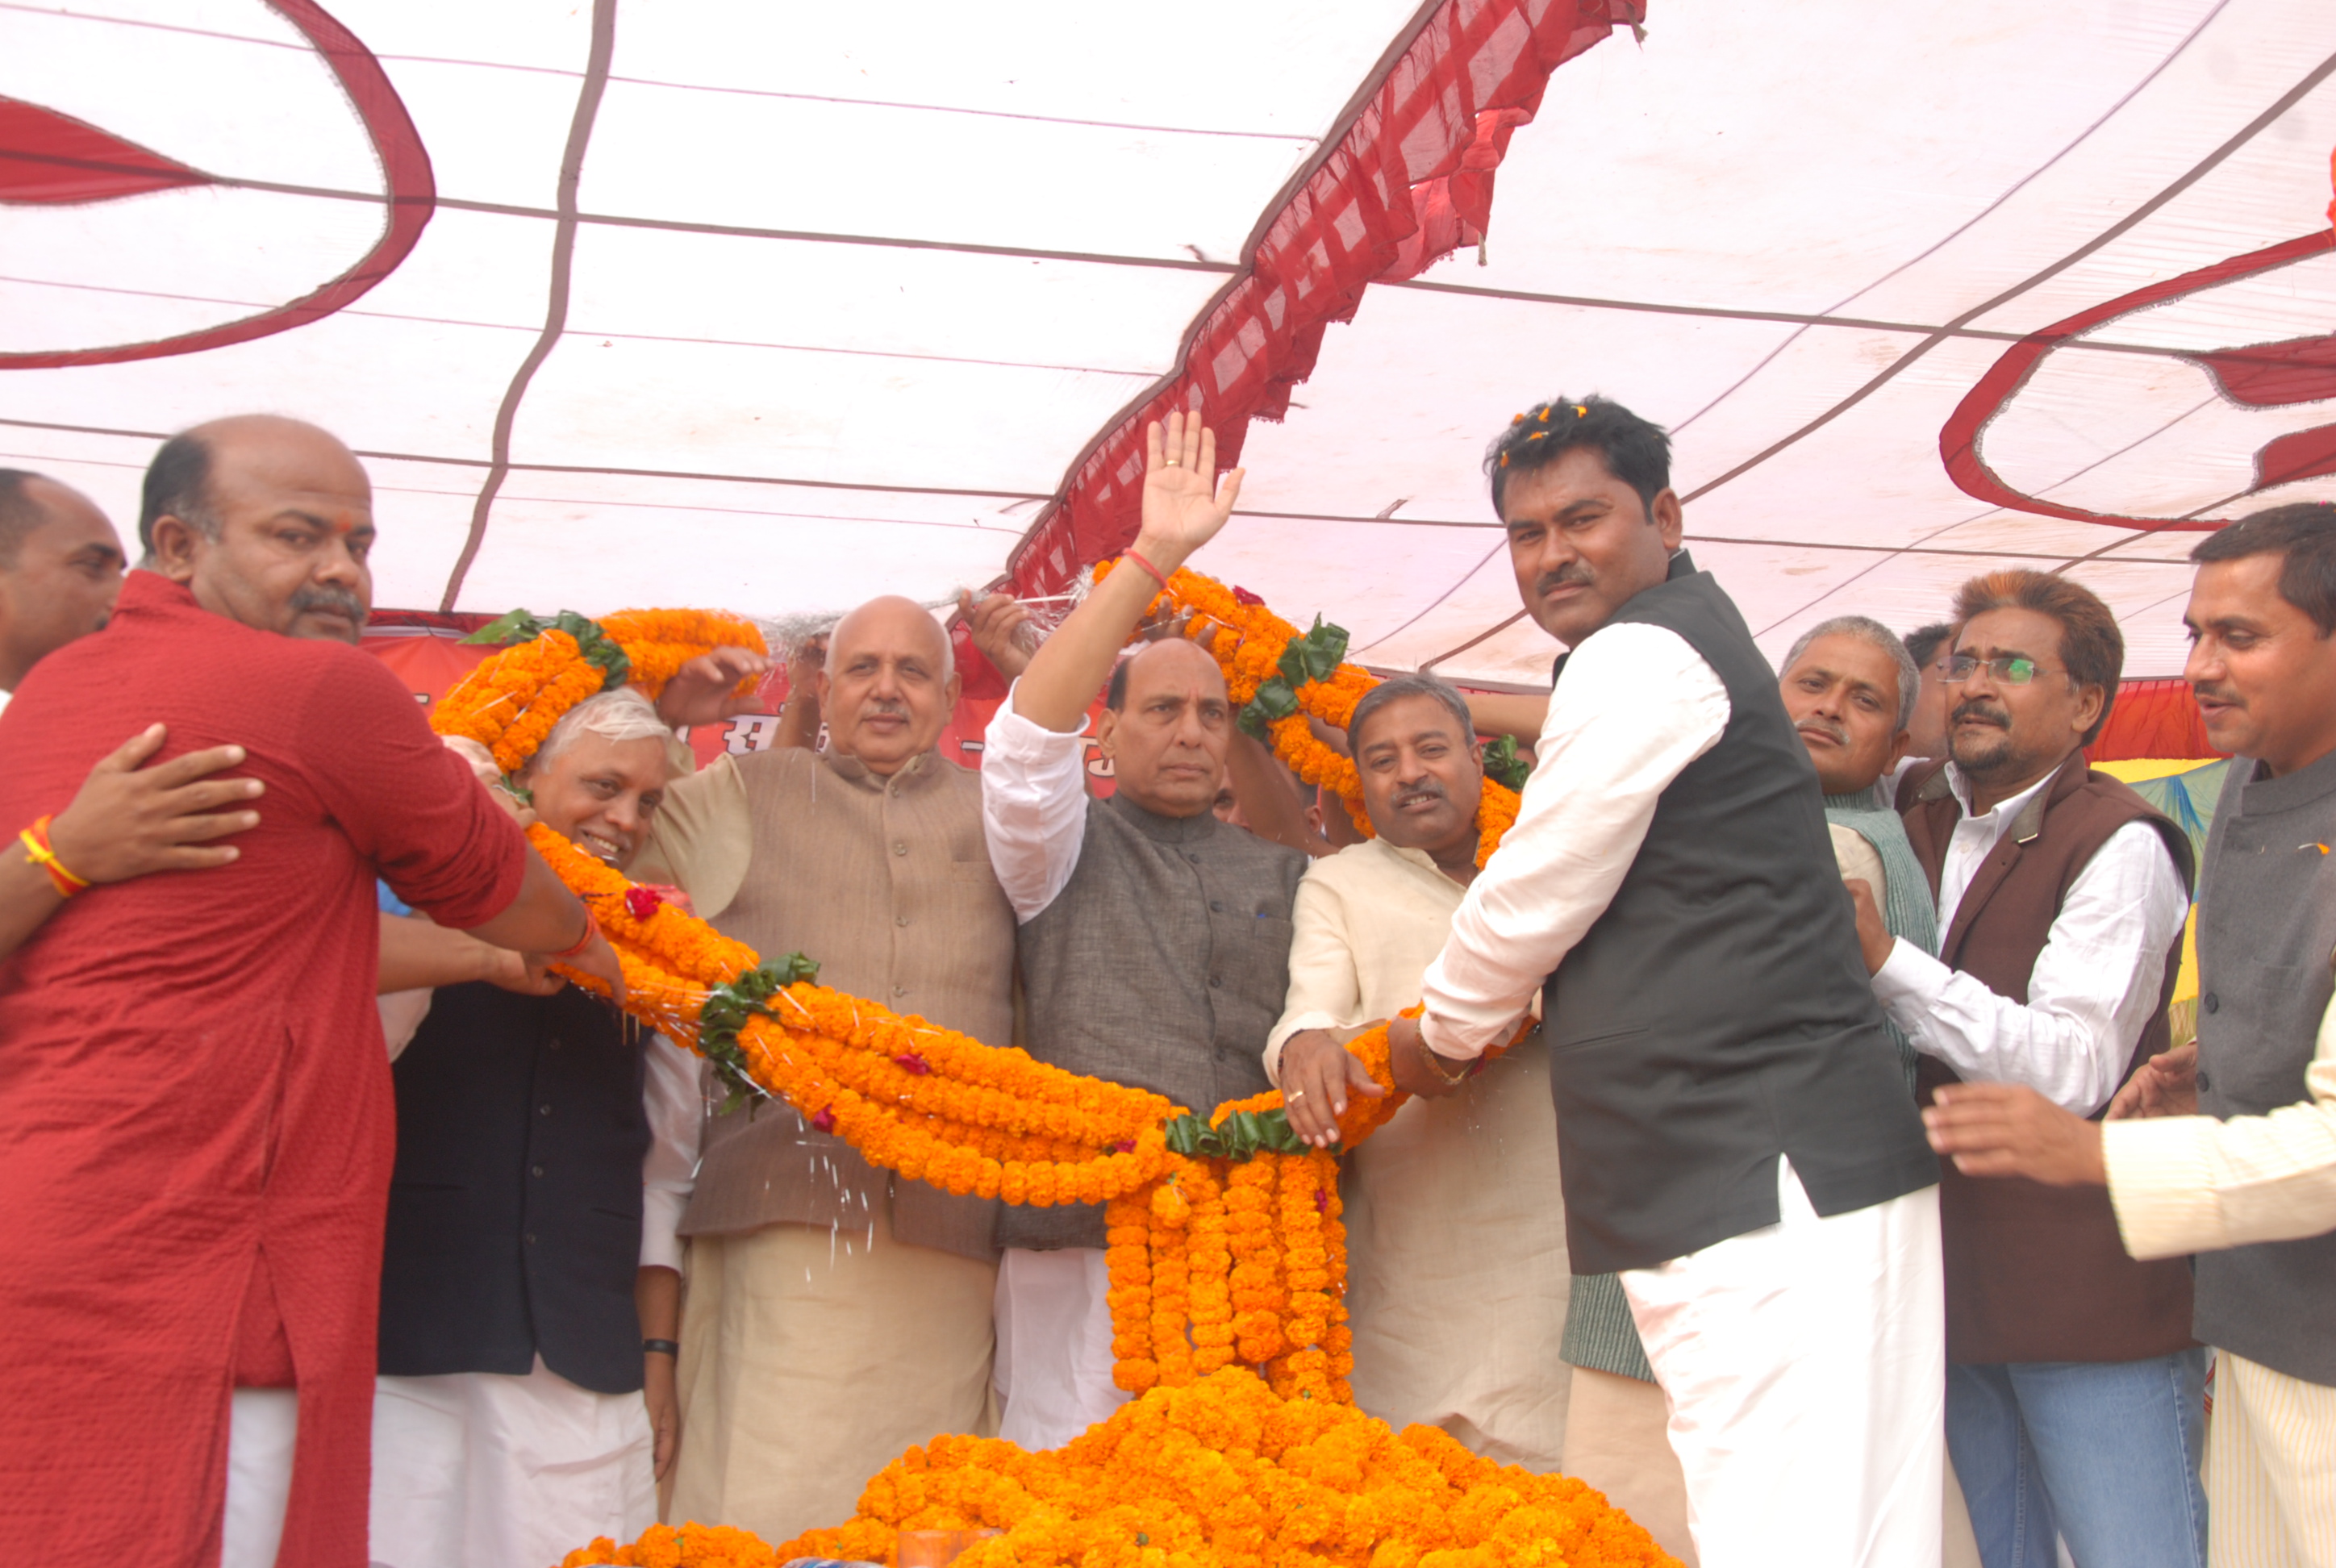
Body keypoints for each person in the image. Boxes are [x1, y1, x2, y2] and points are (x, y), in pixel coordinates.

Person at [0, 415, 621, 1568]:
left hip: (44, 1227)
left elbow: (265, 939)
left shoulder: (46, 699)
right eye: (298, 536)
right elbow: (519, 904)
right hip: (209, 1249)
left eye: (358, 539)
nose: (342, 569)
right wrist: (587, 940)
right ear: (178, 548)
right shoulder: (317, 691)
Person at [1394, 396, 1944, 1567]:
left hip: (1764, 1175)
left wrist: (1432, 1039)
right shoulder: (1681, 639)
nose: (1552, 555)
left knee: (1782, 1533)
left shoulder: (1645, 652)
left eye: (1582, 518)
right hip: (1783, 1175)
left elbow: (1537, 884)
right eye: (1526, 534)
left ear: (1666, 515)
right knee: (1848, 1534)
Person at [1925, 502, 2336, 1566]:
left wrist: (2100, 1149)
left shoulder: (2118, 835)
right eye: (2195, 633)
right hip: (2256, 1311)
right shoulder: (2252, 783)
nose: (2201, 667)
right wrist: (2229, 1064)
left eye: (2239, 638)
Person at [635, 594, 1016, 1545]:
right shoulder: (739, 795)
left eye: (913, 670)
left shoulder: (1005, 821)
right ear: (822, 684)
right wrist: (664, 708)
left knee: (924, 1519)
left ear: (949, 695)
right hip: (780, 1221)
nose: (886, 690)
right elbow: (583, 831)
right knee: (764, 1508)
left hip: (953, 1235)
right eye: (861, 668)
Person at [1857, 569, 2199, 1568]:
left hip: (2083, 1295)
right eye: (1961, 663)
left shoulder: (2118, 841)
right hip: (1943, 1289)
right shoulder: (1909, 812)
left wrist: (1885, 960)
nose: (1974, 685)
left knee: (2136, 1555)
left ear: (2085, 704)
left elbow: (2071, 1067)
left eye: (2011, 666)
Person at [981, 411, 1306, 1450]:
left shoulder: (1279, 869)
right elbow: (1030, 738)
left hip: (1246, 1257)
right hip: (1086, 1255)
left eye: (1211, 715)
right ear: (1108, 734)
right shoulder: (1060, 848)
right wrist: (1154, 557)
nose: (1190, 732)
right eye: (1161, 710)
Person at [369, 687, 700, 1568]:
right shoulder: (427, 906)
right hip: (422, 1340)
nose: (623, 819)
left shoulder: (663, 945)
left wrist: (657, 1350)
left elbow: (665, 1168)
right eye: (602, 786)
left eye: (647, 801)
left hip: (584, 1357)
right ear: (529, 779)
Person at [1266, 674, 1582, 1493]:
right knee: (1410, 1512)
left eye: (1430, 748)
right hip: (1412, 1275)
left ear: (1477, 759)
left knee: (1558, 1516)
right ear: (1359, 783)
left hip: (1556, 1255)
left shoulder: (1548, 861)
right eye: (1382, 760)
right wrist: (1304, 1045)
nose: (1408, 772)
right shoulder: (1341, 883)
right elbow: (1311, 1011)